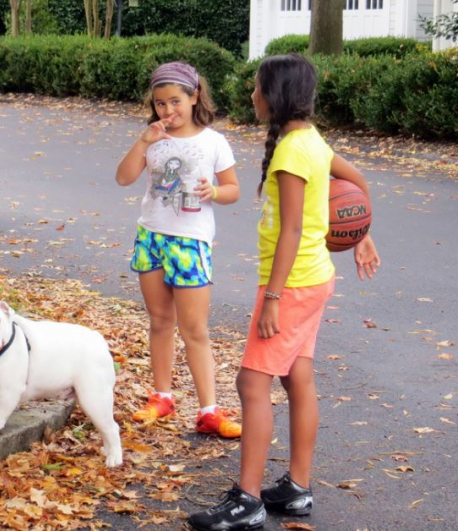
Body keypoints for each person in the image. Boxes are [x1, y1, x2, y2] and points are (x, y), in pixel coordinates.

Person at [187, 54, 381, 530]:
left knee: (251, 383)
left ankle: (248, 500)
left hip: (292, 285)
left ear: (274, 96)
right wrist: (362, 235)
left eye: (256, 88)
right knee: (297, 378)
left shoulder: (294, 149)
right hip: (314, 279)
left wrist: (272, 298)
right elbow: (356, 182)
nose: (252, 95)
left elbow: (292, 230)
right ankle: (295, 490)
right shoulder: (311, 139)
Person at [116, 61, 242, 438]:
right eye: (159, 104)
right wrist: (144, 141)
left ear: (194, 96)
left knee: (195, 330)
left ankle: (209, 411)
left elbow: (233, 189)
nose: (168, 111)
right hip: (151, 237)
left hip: (190, 243)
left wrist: (214, 193)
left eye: (175, 102)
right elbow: (123, 178)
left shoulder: (213, 141)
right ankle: (162, 398)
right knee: (160, 321)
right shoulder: (153, 139)